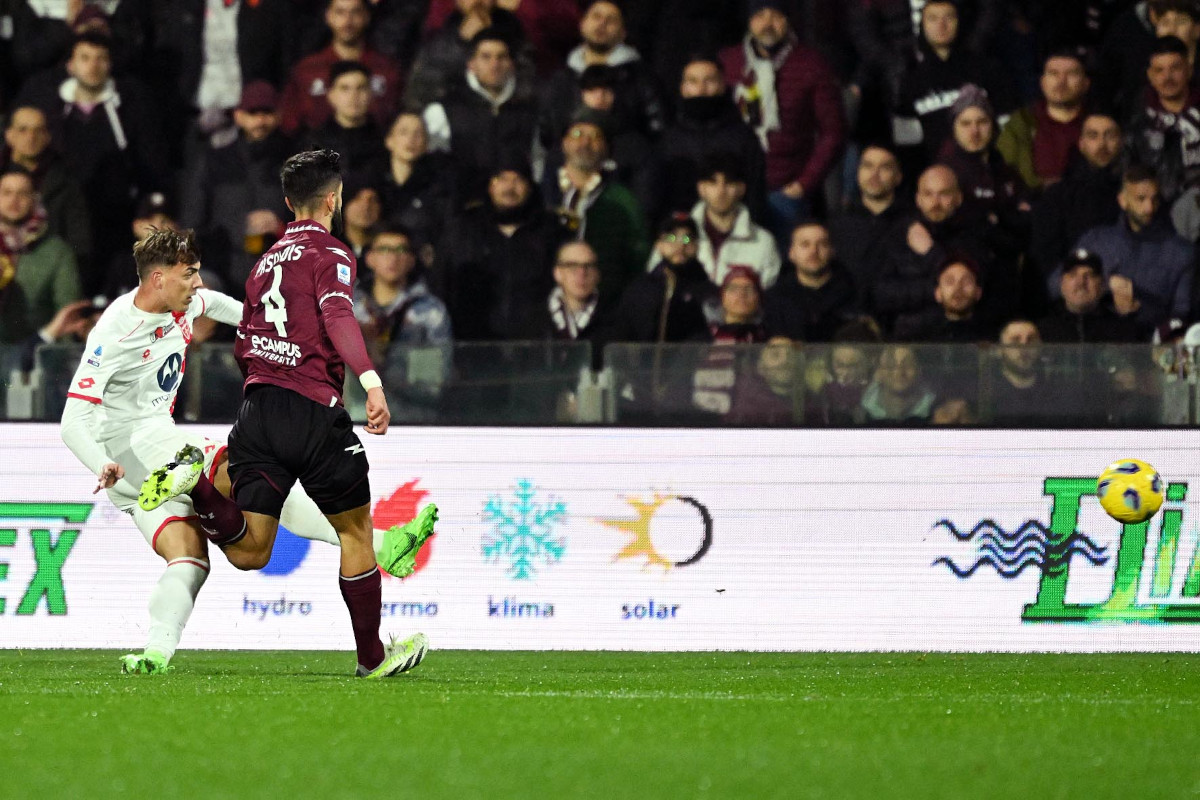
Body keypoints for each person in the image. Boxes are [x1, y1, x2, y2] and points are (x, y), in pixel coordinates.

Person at [59, 225, 433, 676]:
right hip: (134, 447)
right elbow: (72, 422)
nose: (198, 283)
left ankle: (155, 654)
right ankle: (383, 543)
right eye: (189, 274)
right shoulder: (114, 333)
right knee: (252, 471)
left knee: (190, 559)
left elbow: (214, 303)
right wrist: (101, 462)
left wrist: (263, 329)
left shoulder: (183, 303)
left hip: (147, 466)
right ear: (157, 278)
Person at [138, 151, 435, 678]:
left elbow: (245, 341)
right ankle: (372, 659)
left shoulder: (263, 263)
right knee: (356, 533)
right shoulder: (332, 252)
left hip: (256, 409)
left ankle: (198, 488)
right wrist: (370, 381)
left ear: (286, 203)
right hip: (312, 410)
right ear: (332, 199)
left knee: (250, 551)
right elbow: (338, 314)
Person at [720, 0, 846, 242]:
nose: (767, 24)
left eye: (775, 15)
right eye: (759, 16)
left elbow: (833, 132)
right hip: (736, 190)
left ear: (788, 20)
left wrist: (803, 184)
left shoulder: (810, 63)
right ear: (748, 21)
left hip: (785, 189)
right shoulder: (729, 62)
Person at [1061, 165, 1194, 330]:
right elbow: (1058, 284)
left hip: (1151, 344)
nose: (1149, 208)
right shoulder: (1096, 241)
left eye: (1154, 199)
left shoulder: (1181, 252)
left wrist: (1140, 300)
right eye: (1141, 199)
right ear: (1123, 201)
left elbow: (1183, 313)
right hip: (1096, 339)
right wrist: (1104, 285)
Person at [646, 155, 780, 289]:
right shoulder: (672, 235)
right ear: (701, 188)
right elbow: (654, 283)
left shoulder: (763, 242)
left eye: (729, 183)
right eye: (712, 183)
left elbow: (764, 300)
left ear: (741, 189)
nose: (721, 191)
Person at [277, 0, 402, 137]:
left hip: (377, 151)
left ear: (367, 17)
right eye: (340, 12)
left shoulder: (388, 68)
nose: (347, 21)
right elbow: (289, 123)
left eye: (355, 12)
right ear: (328, 16)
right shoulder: (306, 69)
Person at [1028, 112, 1124, 277]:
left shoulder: (1134, 193)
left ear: (1121, 142)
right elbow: (1046, 258)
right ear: (1081, 144)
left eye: (1110, 136)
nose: (1102, 144)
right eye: (1093, 136)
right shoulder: (1057, 197)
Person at [996, 48, 1092, 192]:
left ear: (1086, 83)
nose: (1061, 82)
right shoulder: (1022, 122)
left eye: (1071, 74)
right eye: (1053, 74)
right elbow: (1002, 171)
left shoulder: (1098, 125)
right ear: (1042, 82)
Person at [0, 166, 82, 334]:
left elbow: (67, 314)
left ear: (34, 199)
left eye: (22, 193)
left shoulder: (56, 251)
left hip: (34, 350)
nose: (14, 200)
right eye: (7, 193)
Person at [827, 144, 907, 311]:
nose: (874, 174)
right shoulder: (837, 224)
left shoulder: (911, 224)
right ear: (857, 173)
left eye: (884, 167)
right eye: (868, 166)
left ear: (898, 177)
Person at [763, 221, 858, 343]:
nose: (813, 251)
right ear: (791, 253)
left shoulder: (854, 294)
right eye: (805, 244)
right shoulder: (774, 299)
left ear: (832, 251)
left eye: (822, 244)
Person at [1038, 249, 1150, 343]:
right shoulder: (1042, 331)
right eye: (1073, 275)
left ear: (1102, 286)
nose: (1081, 282)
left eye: (1089, 275)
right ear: (1061, 284)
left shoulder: (1120, 331)